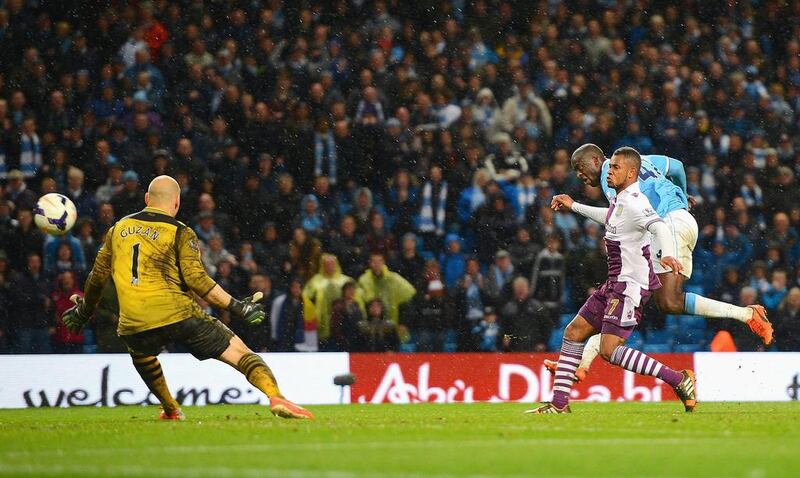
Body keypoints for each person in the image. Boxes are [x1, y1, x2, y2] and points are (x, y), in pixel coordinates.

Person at [62, 176, 313, 420]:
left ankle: (171, 409)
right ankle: (276, 397)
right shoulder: (180, 231)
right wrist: (238, 307)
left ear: (147, 198)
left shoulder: (117, 229)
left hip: (133, 321)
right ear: (177, 203)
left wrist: (84, 311)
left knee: (142, 354)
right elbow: (197, 280)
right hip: (176, 313)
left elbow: (97, 278)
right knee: (241, 353)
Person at [556, 143, 773, 380]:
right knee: (634, 300)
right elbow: (678, 167)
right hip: (681, 221)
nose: (578, 174)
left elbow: (613, 218)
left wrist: (574, 206)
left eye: (579, 167)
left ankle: (747, 315)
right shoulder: (642, 160)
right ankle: (583, 364)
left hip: (666, 226)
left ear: (596, 161)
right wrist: (682, 195)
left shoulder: (612, 178)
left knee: (666, 300)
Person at [529, 147, 696, 414]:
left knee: (609, 351)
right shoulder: (620, 200)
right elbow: (607, 217)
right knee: (573, 333)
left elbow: (660, 226)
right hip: (614, 283)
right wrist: (574, 206)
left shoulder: (637, 202)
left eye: (616, 168)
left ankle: (678, 379)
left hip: (630, 286)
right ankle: (559, 405)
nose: (609, 171)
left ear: (631, 173)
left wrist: (667, 254)